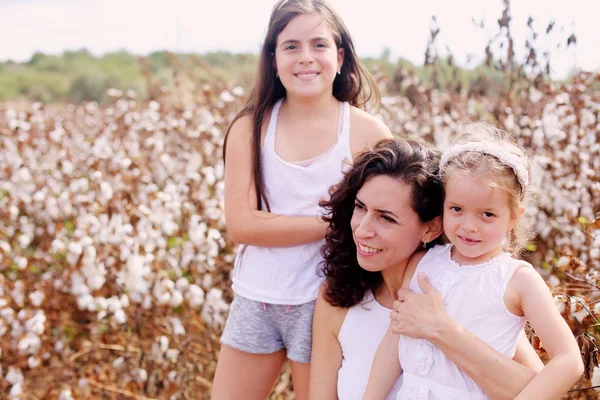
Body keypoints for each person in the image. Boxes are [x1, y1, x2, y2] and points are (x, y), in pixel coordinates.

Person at [211, 0, 392, 398]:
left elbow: (391, 220)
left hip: (330, 302)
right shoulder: (249, 128)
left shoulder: (367, 133)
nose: (305, 58)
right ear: (273, 58)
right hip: (257, 298)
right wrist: (335, 222)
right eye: (291, 46)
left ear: (340, 55)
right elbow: (242, 225)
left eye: (319, 45)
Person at [310, 138, 546, 400]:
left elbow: (539, 389)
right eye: (360, 207)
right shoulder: (338, 298)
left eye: (386, 218)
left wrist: (442, 330)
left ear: (432, 227)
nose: (363, 230)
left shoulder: (472, 297)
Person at [364, 124, 583, 399]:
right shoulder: (424, 262)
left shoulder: (517, 279)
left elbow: (569, 361)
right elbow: (394, 339)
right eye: (457, 209)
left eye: (487, 214)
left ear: (514, 216)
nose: (469, 226)